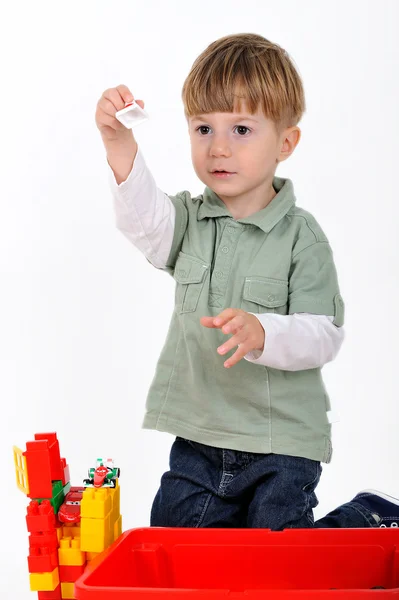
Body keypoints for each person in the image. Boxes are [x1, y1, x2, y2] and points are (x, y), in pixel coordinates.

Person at [95, 33, 399, 530]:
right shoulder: (189, 222)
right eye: (202, 128)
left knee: (280, 566)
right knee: (176, 550)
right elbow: (142, 221)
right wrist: (118, 143)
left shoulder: (304, 238)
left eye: (240, 128)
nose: (218, 146)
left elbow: (325, 333)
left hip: (280, 444)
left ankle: (365, 517)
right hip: (199, 438)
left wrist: (266, 332)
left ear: (285, 142)